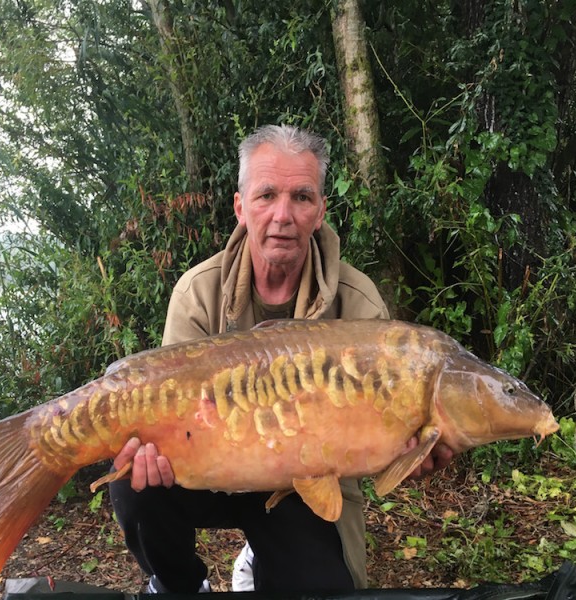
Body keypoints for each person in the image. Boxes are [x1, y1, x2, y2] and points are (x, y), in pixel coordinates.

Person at [108, 124, 453, 594]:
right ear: (240, 207)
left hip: (305, 483)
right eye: (267, 195)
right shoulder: (197, 292)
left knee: (324, 587)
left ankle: (265, 554)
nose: (283, 215)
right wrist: (150, 447)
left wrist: (411, 450)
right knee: (134, 481)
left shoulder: (359, 306)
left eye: (302, 197)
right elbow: (167, 410)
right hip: (210, 470)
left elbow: (377, 443)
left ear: (321, 211)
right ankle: (177, 584)